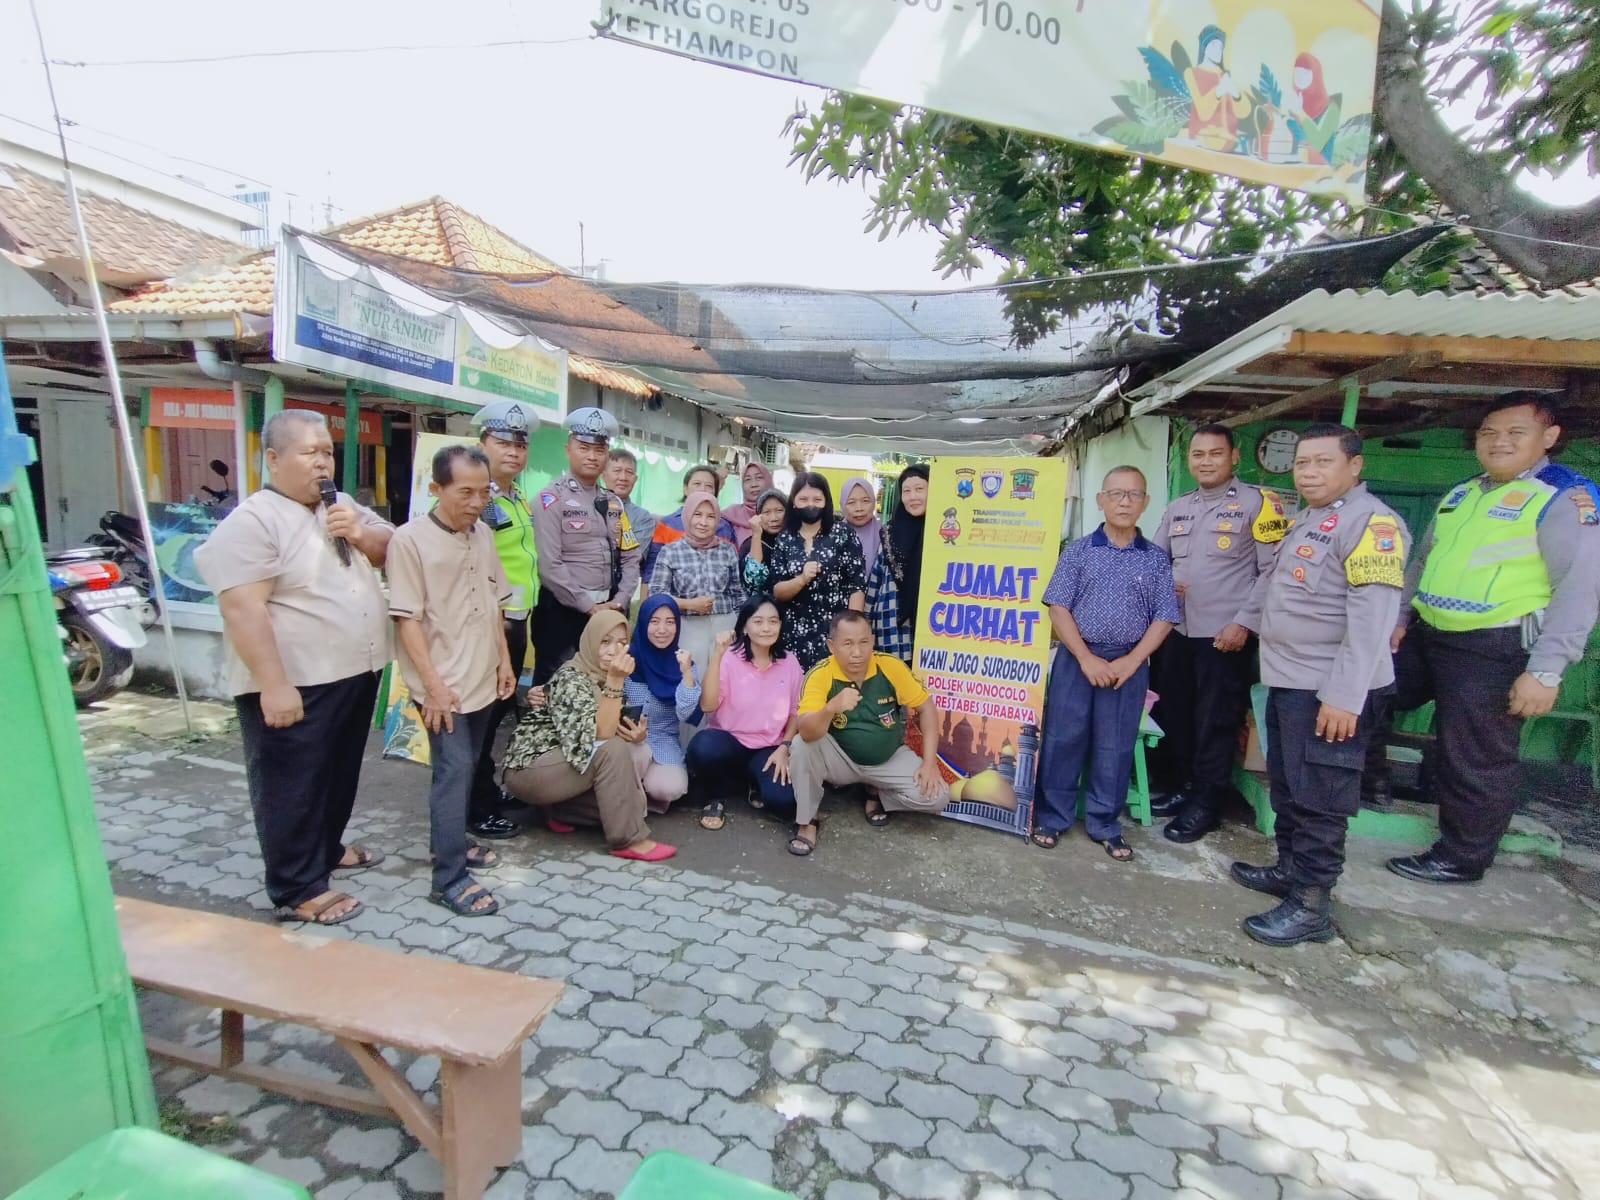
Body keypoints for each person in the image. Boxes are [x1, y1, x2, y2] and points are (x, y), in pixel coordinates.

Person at [1386, 393, 1600, 885]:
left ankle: (1461, 857)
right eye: (1489, 432)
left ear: (1549, 438)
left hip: (1496, 648)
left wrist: (1545, 671)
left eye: (1515, 432)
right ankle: (1369, 785)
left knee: (1475, 755)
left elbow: (1580, 586)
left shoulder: (1564, 499)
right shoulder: (1465, 493)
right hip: (1429, 634)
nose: (1499, 441)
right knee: (1368, 690)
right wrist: (1399, 617)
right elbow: (1422, 562)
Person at [194, 410, 393, 926]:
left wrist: (361, 534)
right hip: (296, 681)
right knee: (293, 783)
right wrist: (273, 685)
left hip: (353, 669)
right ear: (274, 459)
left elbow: (391, 547)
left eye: (328, 452)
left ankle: (325, 850)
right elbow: (243, 607)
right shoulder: (254, 521)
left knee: (338, 773)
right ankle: (297, 886)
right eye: (311, 453)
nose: (323, 462)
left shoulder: (340, 504)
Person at [1231, 424, 1410, 946]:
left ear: (1354, 465)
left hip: (1329, 691)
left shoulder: (1372, 524)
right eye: (1302, 463)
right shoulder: (1311, 517)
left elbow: (1372, 621)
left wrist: (1344, 696)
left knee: (1321, 798)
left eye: (1322, 462)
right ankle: (1290, 870)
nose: (1308, 472)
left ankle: (1311, 905)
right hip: (1290, 681)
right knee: (1289, 785)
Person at [387, 445, 517, 918]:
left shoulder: (481, 534)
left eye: (484, 492)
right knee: (453, 771)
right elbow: (407, 621)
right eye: (465, 492)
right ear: (436, 489)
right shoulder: (409, 541)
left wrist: (504, 662)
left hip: (483, 677)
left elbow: (497, 604)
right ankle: (448, 878)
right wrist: (432, 686)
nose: (476, 501)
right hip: (443, 686)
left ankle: (453, 841)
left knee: (470, 764)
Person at [1032, 466, 1180, 861]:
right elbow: (1058, 608)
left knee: (1114, 746)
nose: (1124, 502)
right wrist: (1085, 657)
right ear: (1101, 499)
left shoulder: (1155, 559)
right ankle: (1052, 817)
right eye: (1116, 494)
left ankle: (1104, 824)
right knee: (1064, 738)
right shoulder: (1079, 551)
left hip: (1128, 664)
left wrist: (1132, 661)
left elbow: (1164, 616)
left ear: (1146, 503)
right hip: (1077, 658)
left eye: (1133, 495)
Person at [1151, 424, 1289, 843]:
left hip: (1222, 633)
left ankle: (1207, 802)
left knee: (1214, 719)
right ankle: (1183, 787)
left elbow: (1273, 570)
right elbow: (1155, 560)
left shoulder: (1260, 504)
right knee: (1175, 712)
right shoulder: (1178, 507)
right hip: (1175, 628)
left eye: (1215, 453)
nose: (1205, 461)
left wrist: (1244, 621)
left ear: (1234, 457)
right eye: (1198, 454)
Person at [500, 610, 676, 861]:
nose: (614, 650)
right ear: (590, 641)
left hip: (564, 764)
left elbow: (610, 727)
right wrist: (616, 680)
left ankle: (556, 810)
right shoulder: (570, 676)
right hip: (530, 770)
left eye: (621, 643)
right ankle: (627, 840)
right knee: (612, 749)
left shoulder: (603, 676)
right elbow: (602, 735)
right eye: (605, 642)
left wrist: (636, 735)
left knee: (633, 806)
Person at [788, 610, 948, 856]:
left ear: (873, 641)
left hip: (888, 758)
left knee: (938, 796)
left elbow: (926, 708)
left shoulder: (890, 666)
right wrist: (830, 708)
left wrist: (929, 763)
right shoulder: (820, 674)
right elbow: (807, 732)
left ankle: (878, 793)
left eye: (864, 642)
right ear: (832, 646)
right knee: (801, 746)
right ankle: (807, 820)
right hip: (840, 760)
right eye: (848, 644)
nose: (857, 652)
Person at [467, 398, 540, 841]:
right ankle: (473, 808)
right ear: (482, 444)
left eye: (519, 444)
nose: (512, 451)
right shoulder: (479, 498)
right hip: (493, 622)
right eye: (502, 442)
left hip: (517, 621)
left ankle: (486, 791)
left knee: (494, 717)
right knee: (481, 718)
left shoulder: (515, 495)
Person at [529, 406, 641, 686]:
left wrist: (621, 599)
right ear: (568, 450)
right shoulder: (550, 498)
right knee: (555, 688)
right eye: (584, 448)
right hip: (563, 613)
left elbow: (630, 555)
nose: (592, 456)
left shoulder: (613, 502)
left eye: (600, 449)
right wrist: (588, 606)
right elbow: (549, 565)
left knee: (601, 685)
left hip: (609, 609)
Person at [687, 595, 803, 828]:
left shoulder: (790, 661)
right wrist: (717, 656)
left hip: (769, 747)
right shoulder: (729, 658)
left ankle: (753, 781)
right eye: (758, 621)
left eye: (773, 621)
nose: (766, 628)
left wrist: (785, 746)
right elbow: (707, 706)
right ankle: (716, 795)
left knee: (785, 803)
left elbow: (795, 711)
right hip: (729, 741)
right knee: (702, 747)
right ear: (745, 627)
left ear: (781, 625)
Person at [750, 472, 866, 670]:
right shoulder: (785, 538)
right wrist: (801, 579)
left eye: (817, 499)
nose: (810, 504)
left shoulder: (843, 534)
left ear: (826, 501)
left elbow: (856, 585)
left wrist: (852, 632)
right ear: (793, 502)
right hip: (792, 634)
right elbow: (777, 590)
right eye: (803, 499)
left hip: (835, 633)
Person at [649, 490, 745, 675]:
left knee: (724, 679)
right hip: (687, 625)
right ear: (687, 515)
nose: (703, 522)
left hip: (725, 625)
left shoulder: (727, 550)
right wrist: (689, 604)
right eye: (697, 514)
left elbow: (737, 593)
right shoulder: (670, 551)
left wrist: (742, 627)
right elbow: (657, 596)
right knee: (692, 678)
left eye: (710, 516)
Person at [622, 594, 700, 816]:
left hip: (663, 741)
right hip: (625, 741)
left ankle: (641, 794)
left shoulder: (683, 664)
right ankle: (624, 803)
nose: (662, 629)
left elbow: (685, 713)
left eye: (670, 622)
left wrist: (686, 675)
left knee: (670, 787)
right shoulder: (626, 658)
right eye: (654, 621)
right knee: (634, 753)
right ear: (644, 622)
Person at [867, 464, 928, 663]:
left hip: (933, 630)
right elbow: (875, 581)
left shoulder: (947, 534)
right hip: (891, 630)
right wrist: (865, 626)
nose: (913, 497)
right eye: (906, 491)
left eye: (920, 489)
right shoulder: (890, 532)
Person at [644, 463, 736, 581]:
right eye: (697, 484)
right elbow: (651, 570)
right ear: (685, 488)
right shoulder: (667, 524)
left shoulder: (725, 528)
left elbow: (734, 576)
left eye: (709, 486)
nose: (703, 489)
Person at [602, 447, 658, 579]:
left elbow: (634, 558)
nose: (623, 478)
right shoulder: (587, 506)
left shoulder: (643, 518)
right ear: (603, 474)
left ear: (635, 478)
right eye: (617, 471)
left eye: (629, 472)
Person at [740, 487, 789, 587]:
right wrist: (757, 535)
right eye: (766, 512)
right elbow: (753, 582)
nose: (774, 518)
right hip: (762, 602)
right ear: (758, 516)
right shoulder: (749, 545)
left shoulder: (796, 541)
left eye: (779, 510)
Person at [723, 459, 776, 547]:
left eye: (759, 478)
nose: (753, 484)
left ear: (768, 480)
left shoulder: (782, 516)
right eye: (747, 479)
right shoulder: (730, 516)